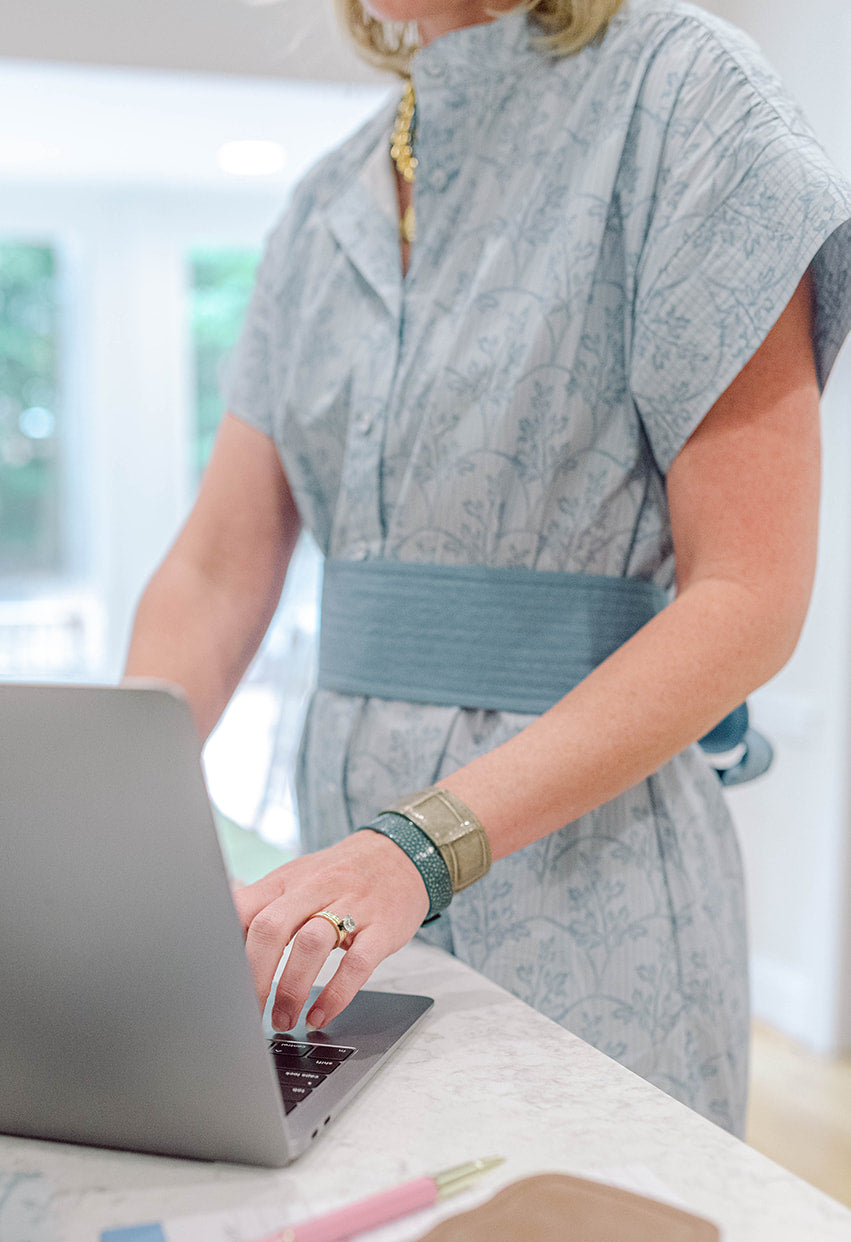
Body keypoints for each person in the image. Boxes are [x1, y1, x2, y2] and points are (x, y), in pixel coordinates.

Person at [125, 0, 851, 1135]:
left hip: (589, 893)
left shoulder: (683, 100)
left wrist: (419, 846)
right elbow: (214, 574)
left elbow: (746, 597)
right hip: (338, 906)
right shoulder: (323, 205)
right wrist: (112, 806)